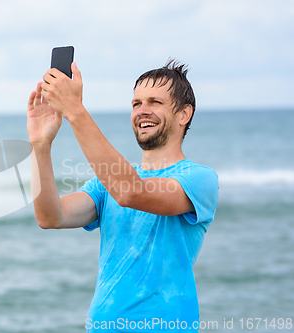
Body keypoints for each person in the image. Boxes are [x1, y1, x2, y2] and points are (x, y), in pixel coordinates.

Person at [26, 59, 219, 332]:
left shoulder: (199, 179)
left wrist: (75, 111)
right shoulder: (108, 183)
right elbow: (50, 216)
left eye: (155, 102)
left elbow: (132, 192)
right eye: (136, 104)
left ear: (184, 114)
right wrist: (40, 145)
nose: (143, 111)